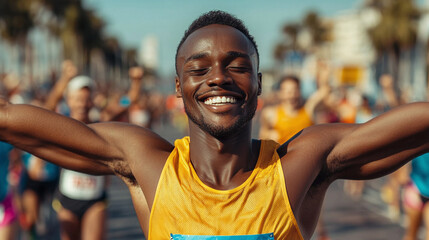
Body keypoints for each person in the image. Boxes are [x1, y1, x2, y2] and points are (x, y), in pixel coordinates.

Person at [0, 10, 428, 240]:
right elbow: (15, 124)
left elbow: (408, 129)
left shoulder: (300, 164)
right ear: (179, 86)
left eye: (237, 67)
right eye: (199, 68)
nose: (218, 77)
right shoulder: (147, 162)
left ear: (258, 85)